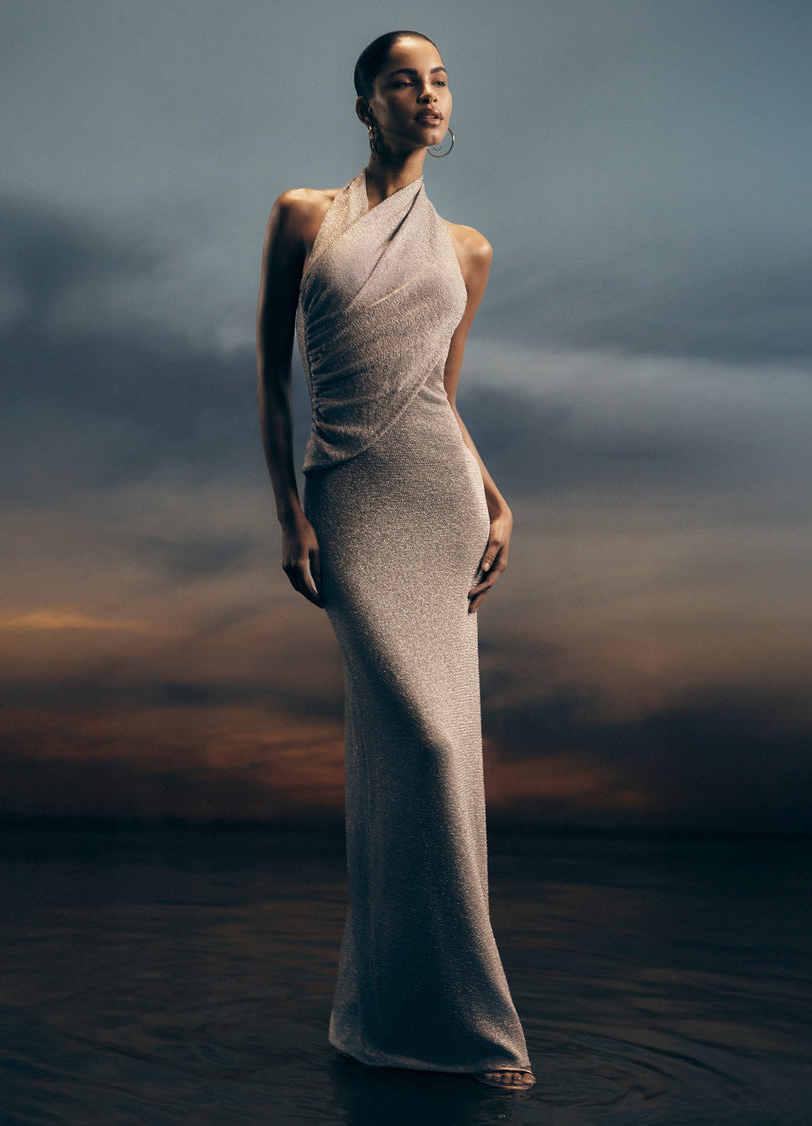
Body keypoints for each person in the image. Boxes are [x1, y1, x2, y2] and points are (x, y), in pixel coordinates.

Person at [256, 30, 534, 1092]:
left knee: (443, 756)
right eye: (402, 82)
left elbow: (442, 399)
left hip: (442, 499)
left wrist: (496, 494)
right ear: (365, 104)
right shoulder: (300, 216)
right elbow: (267, 373)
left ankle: (423, 1024)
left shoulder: (467, 249)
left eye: (440, 81)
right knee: (412, 743)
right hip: (348, 494)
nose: (427, 96)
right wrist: (288, 512)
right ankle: (406, 1012)